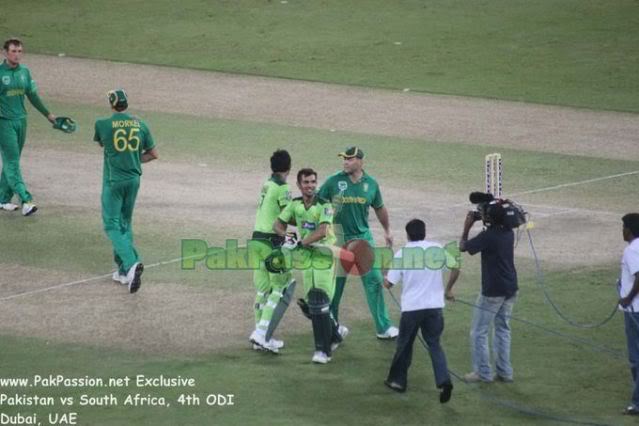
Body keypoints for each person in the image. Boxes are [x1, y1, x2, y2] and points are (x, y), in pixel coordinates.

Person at [318, 146, 398, 339]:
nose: (345, 162)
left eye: (350, 159)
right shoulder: (333, 181)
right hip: (338, 239)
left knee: (375, 282)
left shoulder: (371, 184)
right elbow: (317, 204)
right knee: (335, 287)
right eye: (344, 159)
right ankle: (332, 327)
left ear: (361, 161)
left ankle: (383, 327)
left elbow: (379, 208)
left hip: (363, 239)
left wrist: (387, 230)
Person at [274, 168, 348, 364]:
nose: (310, 186)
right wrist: (287, 237)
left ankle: (323, 351)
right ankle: (336, 333)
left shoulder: (325, 205)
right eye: (306, 182)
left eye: (313, 182)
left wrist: (299, 242)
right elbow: (278, 224)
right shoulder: (295, 204)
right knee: (312, 305)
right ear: (299, 185)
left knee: (319, 301)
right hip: (306, 257)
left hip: (324, 254)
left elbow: (323, 231)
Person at [383, 219, 459, 402]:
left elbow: (388, 284)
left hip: (412, 309)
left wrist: (383, 268)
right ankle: (443, 380)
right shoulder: (437, 249)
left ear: (408, 235)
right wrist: (448, 289)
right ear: (424, 232)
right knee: (435, 345)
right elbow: (456, 267)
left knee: (404, 345)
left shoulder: (403, 253)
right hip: (435, 308)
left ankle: (397, 381)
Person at [93, 89, 158, 293]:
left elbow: (103, 143)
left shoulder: (102, 124)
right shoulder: (141, 124)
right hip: (133, 180)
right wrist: (133, 159)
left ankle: (131, 263)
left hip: (114, 182)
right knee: (125, 223)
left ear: (112, 104)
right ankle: (122, 271)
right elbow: (153, 154)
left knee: (111, 225)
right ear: (126, 104)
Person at [460, 201, 518, 383]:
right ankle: (505, 372)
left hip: (493, 290)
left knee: (479, 332)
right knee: (502, 329)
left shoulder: (489, 236)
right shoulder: (508, 232)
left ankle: (483, 373)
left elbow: (464, 247)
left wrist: (467, 227)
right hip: (510, 288)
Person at [0, 38, 59, 216]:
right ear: (4, 53)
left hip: (21, 121)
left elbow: (33, 96)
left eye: (19, 51)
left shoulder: (25, 72)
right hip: (4, 122)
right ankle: (26, 200)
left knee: (12, 161)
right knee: (12, 162)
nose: (17, 55)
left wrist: (48, 114)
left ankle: (3, 199)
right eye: (13, 51)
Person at [248, 149, 293, 353]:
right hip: (270, 243)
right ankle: (262, 333)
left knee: (262, 290)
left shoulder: (267, 183)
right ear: (289, 168)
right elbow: (287, 215)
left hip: (256, 241)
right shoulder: (283, 188)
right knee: (279, 288)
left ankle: (260, 335)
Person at [618, 213, 639, 416]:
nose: (622, 231)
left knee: (636, 358)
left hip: (635, 310)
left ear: (630, 229)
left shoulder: (632, 250)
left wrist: (627, 298)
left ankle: (637, 402)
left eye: (623, 227)